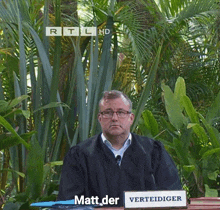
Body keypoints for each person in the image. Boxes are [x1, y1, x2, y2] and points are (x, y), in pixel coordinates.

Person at [57, 90, 182, 206]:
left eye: (121, 112)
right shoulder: (80, 156)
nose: (114, 118)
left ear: (131, 118)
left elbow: (172, 196)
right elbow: (70, 202)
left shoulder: (153, 152)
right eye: (108, 113)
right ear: (100, 118)